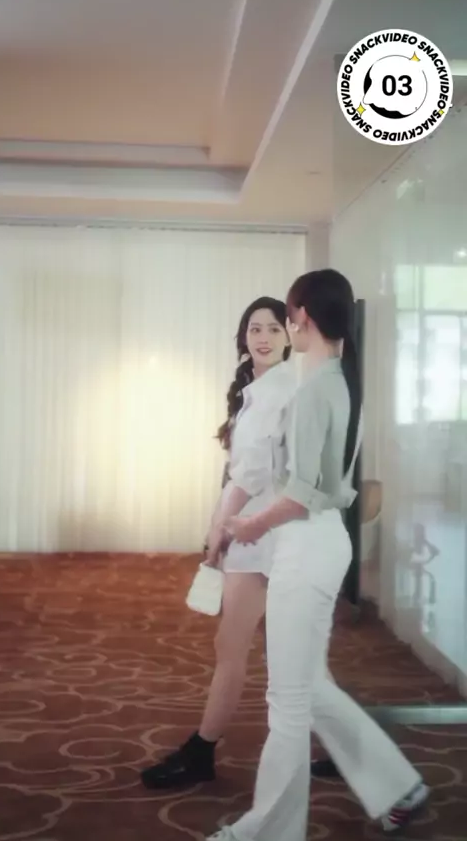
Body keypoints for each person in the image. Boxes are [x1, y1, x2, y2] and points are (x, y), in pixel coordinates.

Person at [206, 270, 429, 840]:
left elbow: (301, 494)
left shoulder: (312, 390)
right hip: (323, 542)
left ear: (302, 316)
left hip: (306, 546)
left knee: (287, 701)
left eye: (285, 316)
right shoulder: (340, 380)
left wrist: (248, 525)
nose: (283, 326)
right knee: (310, 685)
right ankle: (397, 788)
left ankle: (267, 831)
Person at [140, 296, 294, 789]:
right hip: (257, 532)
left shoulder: (281, 391)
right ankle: (350, 748)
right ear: (243, 338)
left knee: (237, 646)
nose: (263, 337)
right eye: (255, 329)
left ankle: (201, 750)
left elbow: (250, 475)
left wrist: (218, 528)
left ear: (290, 336)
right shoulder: (258, 390)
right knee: (282, 654)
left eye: (273, 328)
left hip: (264, 535)